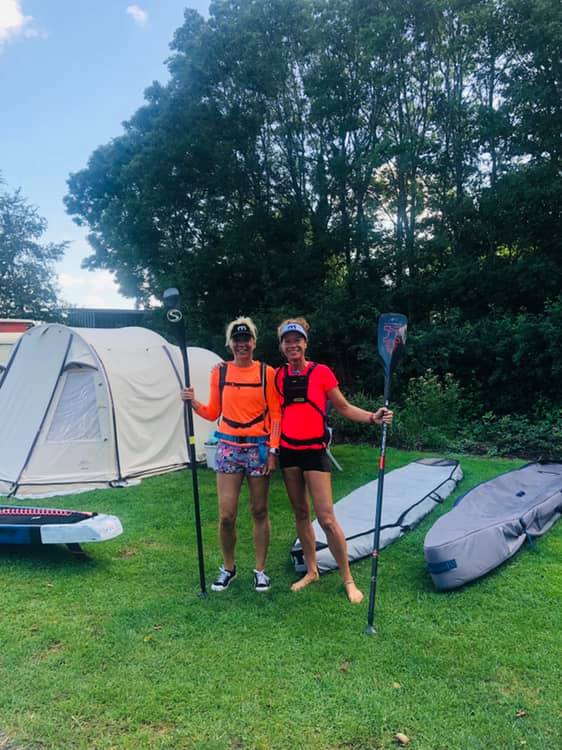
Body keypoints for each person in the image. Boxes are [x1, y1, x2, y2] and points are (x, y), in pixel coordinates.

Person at [275, 318, 393, 604]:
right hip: (288, 452)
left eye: (297, 340)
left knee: (326, 518)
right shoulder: (277, 376)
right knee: (301, 514)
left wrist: (373, 417)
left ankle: (348, 580)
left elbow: (343, 407)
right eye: (287, 341)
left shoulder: (322, 372)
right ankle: (311, 571)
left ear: (305, 343)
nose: (292, 345)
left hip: (314, 452)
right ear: (281, 346)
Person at [182, 317, 281, 593]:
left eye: (246, 339)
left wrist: (273, 450)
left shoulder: (267, 373)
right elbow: (213, 412)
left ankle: (260, 570)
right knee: (227, 515)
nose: (242, 344)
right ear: (230, 344)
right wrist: (193, 402)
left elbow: (276, 414)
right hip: (228, 448)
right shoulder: (220, 372)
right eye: (237, 340)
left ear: (254, 342)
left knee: (259, 511)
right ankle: (228, 568)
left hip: (258, 448)